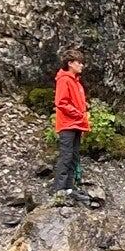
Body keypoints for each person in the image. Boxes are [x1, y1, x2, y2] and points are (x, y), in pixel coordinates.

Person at [52, 47, 91, 198]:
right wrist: (78, 115)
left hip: (76, 124)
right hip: (68, 124)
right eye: (79, 63)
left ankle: (68, 188)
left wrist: (81, 118)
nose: (82, 66)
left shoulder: (76, 83)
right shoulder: (64, 80)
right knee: (66, 155)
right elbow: (61, 102)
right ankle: (60, 189)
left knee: (74, 155)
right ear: (70, 63)